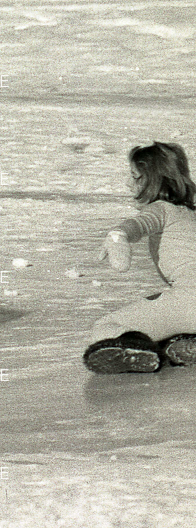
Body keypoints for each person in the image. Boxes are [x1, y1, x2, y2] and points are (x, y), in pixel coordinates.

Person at [88, 142, 196, 373]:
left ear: (154, 180)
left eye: (135, 177)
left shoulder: (163, 209)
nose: (129, 184)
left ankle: (135, 348)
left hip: (189, 300)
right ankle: (183, 342)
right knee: (172, 318)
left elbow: (139, 224)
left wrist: (118, 235)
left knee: (106, 326)